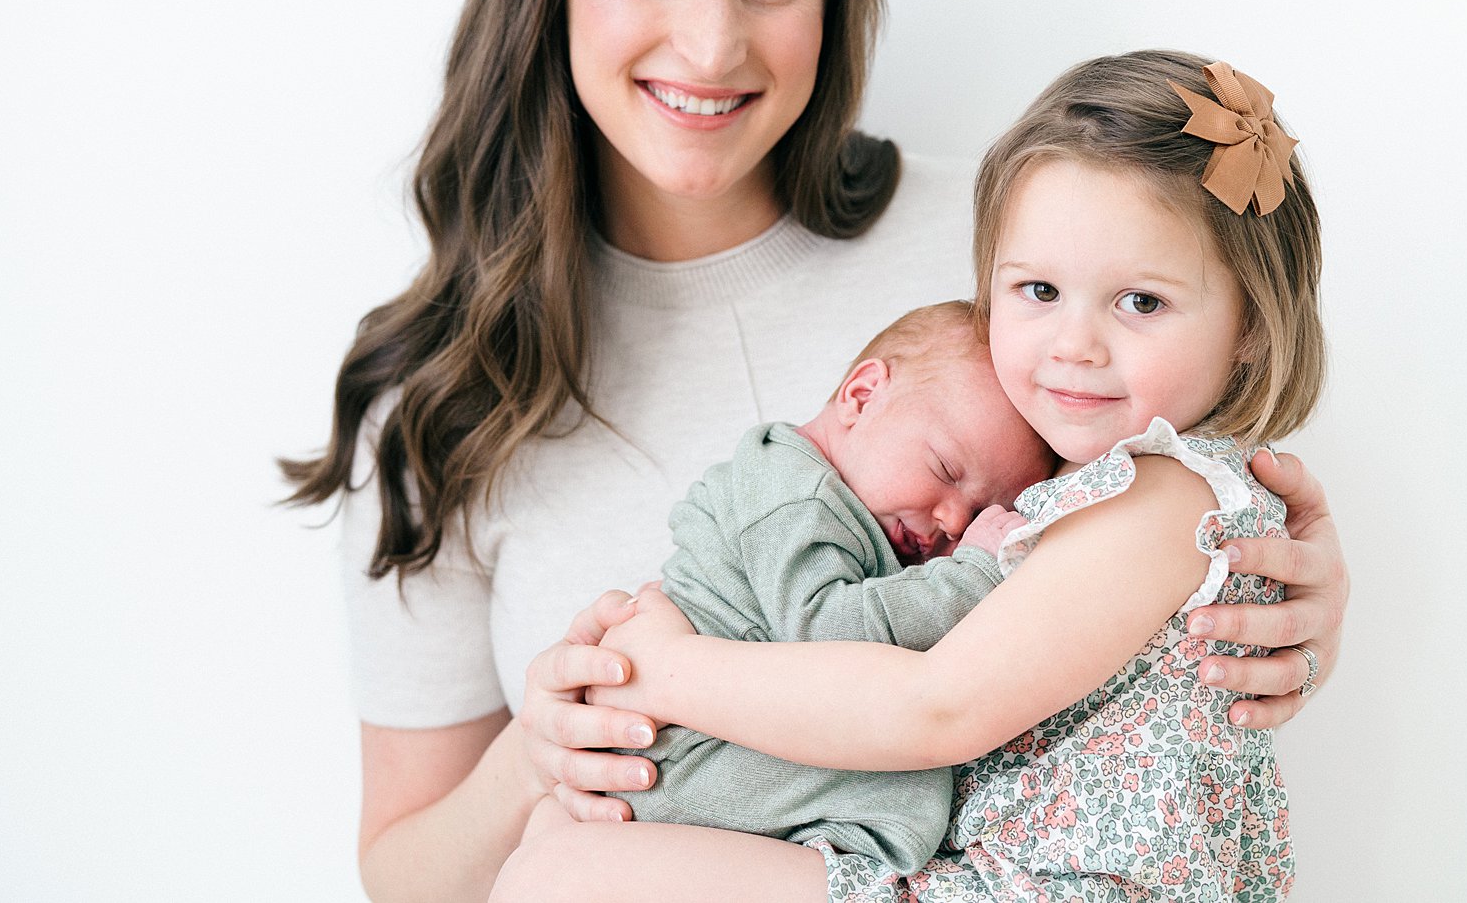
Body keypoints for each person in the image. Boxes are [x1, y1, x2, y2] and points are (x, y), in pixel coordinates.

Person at [280, 0, 1349, 903]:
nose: (709, 46)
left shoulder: (1013, 256)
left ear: (834, 9)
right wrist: (544, 749)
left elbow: (1129, 533)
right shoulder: (442, 389)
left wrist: (1283, 593)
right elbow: (406, 879)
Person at [491, 50, 1322, 901]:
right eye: (1038, 289)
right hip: (976, 873)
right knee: (560, 836)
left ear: (1253, 323)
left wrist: (668, 671)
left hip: (1050, 889)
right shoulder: (1067, 486)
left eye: (1140, 302)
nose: (1074, 343)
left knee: (568, 871)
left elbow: (937, 708)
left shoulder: (1162, 493)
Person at [615, 299, 1054, 872]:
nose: (952, 523)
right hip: (684, 762)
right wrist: (970, 572)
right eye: (945, 471)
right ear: (862, 396)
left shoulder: (839, 501)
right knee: (908, 787)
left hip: (697, 748)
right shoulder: (797, 496)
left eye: (975, 516)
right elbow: (828, 632)